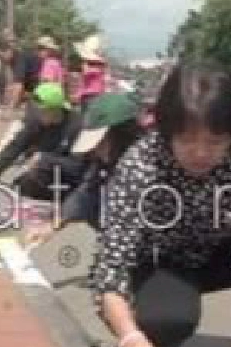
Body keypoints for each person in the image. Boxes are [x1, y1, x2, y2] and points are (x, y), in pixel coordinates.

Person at [93, 66, 231, 347]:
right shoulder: (140, 166)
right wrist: (128, 336)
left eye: (215, 141)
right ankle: (157, 340)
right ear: (166, 132)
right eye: (186, 139)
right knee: (166, 320)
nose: (200, 153)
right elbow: (111, 267)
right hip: (164, 259)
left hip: (228, 252)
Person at [24, 92, 144, 247]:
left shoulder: (149, 166)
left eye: (100, 143)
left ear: (122, 135)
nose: (94, 151)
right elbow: (86, 192)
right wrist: (53, 224)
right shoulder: (106, 162)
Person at [0, 82, 84, 201]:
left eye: (42, 111)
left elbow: (78, 166)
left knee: (39, 168)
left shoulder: (76, 126)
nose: (38, 114)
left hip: (69, 179)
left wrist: (45, 159)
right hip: (46, 173)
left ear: (55, 109)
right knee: (19, 185)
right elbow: (17, 145)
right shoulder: (37, 122)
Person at [73, 34, 111, 110]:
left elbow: (83, 81)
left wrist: (77, 95)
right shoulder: (102, 66)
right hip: (99, 95)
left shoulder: (88, 66)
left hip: (89, 96)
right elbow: (106, 81)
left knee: (87, 118)